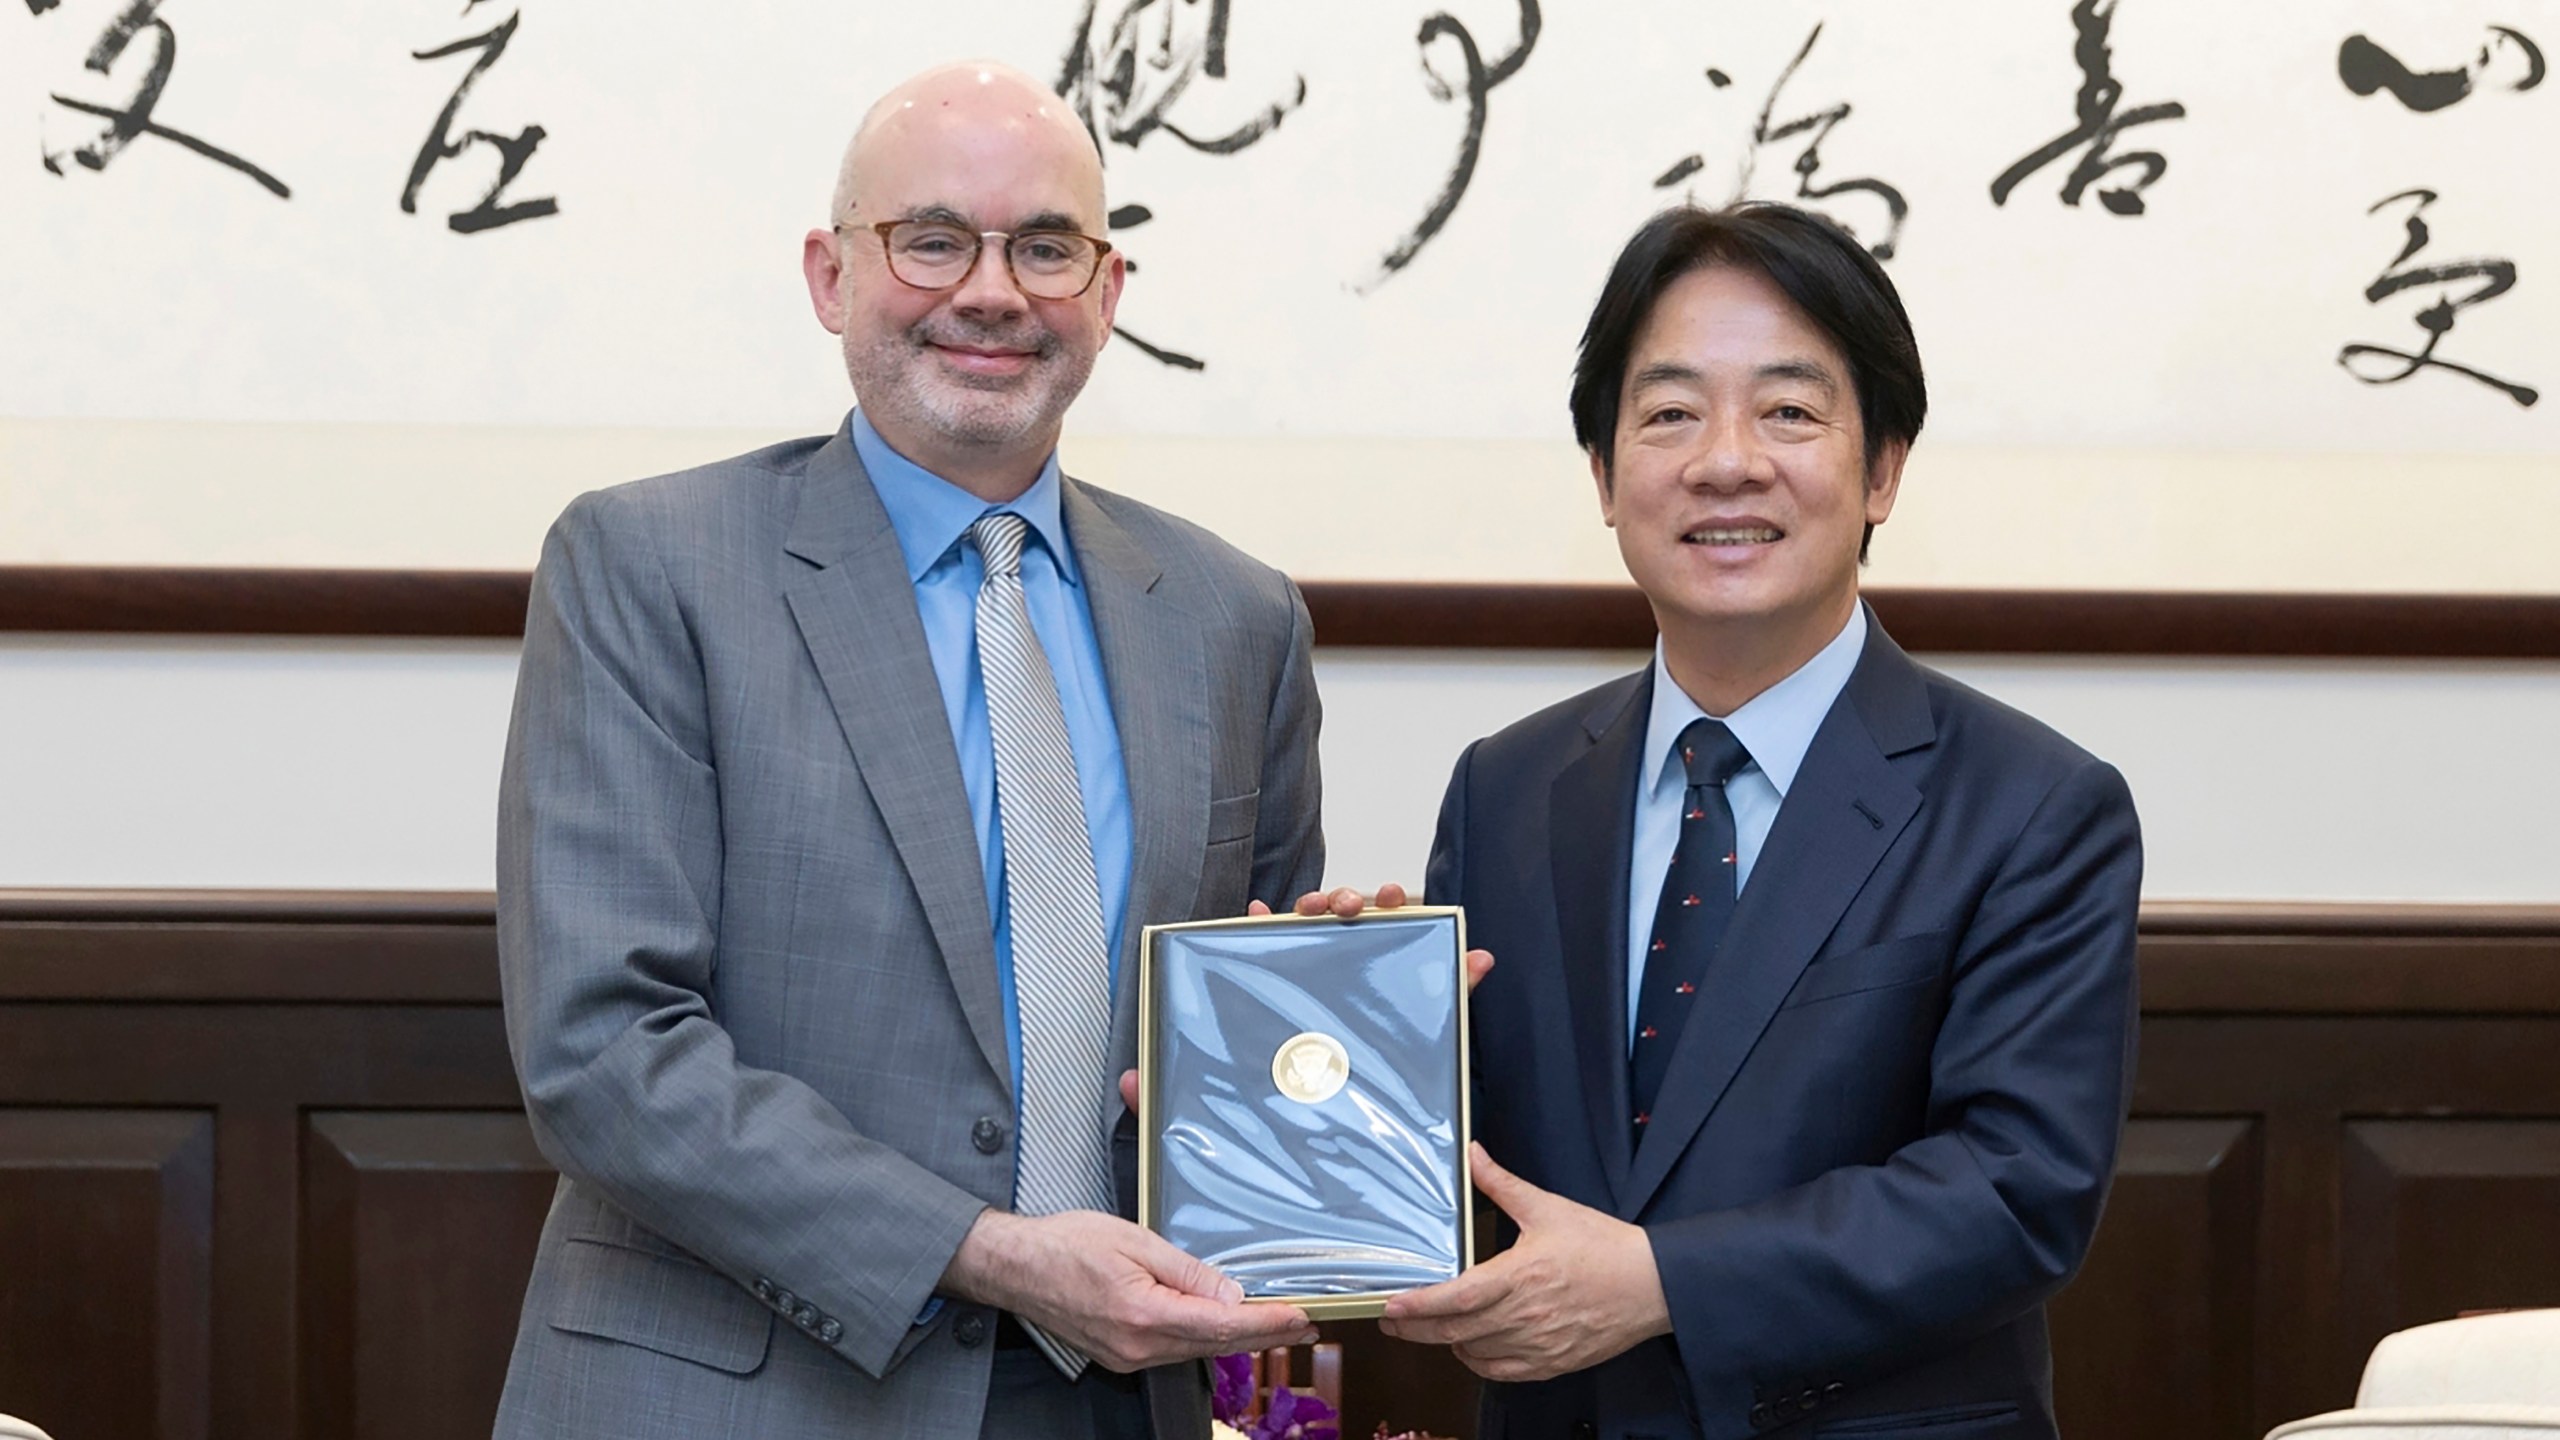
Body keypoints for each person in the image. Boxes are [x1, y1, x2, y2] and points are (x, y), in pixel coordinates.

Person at [490, 60, 1326, 1440]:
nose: (990, 292)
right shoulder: (649, 566)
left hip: (1117, 1400)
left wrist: (1335, 993)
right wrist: (990, 1250)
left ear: (1108, 295)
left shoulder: (1234, 616)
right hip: (745, 1394)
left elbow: (1237, 1026)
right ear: (832, 277)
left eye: (1046, 248)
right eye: (931, 239)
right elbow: (604, 1050)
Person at [1379, 203, 2144, 1440]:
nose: (1724, 460)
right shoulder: (1505, 787)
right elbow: (1466, 1157)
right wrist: (1312, 1040)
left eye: (1788, 410)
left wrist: (1662, 1285)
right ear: (1603, 474)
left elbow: (2015, 1191)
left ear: (1883, 468)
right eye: (1669, 412)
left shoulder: (2033, 805)